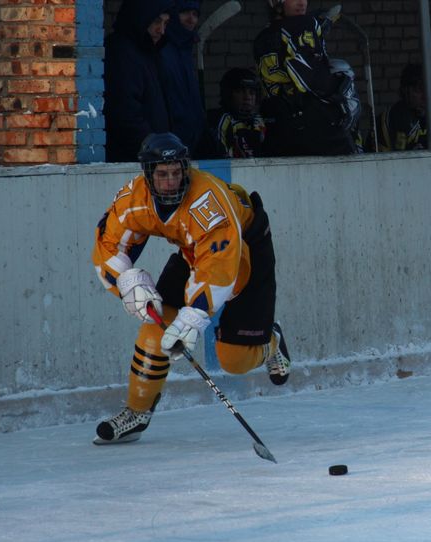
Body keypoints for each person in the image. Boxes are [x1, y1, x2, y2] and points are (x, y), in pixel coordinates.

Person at [91, 132, 291, 444]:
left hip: (244, 249)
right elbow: (108, 245)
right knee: (155, 326)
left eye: (176, 173)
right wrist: (127, 283)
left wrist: (192, 317)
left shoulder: (207, 201)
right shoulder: (134, 199)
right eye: (162, 175)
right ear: (148, 176)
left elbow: (220, 267)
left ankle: (271, 341)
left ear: (185, 169)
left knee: (234, 361)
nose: (171, 182)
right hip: (194, 252)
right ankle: (137, 412)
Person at [252, 0, 357, 156]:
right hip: (312, 128)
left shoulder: (262, 36)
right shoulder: (303, 23)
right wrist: (340, 92)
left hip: (275, 129)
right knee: (351, 169)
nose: (302, 2)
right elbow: (311, 79)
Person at [104, 0, 173, 162]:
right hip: (132, 159)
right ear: (141, 18)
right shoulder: (122, 53)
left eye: (166, 23)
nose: (161, 30)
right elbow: (124, 111)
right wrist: (153, 148)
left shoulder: (149, 52)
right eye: (157, 21)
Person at [160, 0, 207, 154]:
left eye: (195, 14)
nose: (191, 19)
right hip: (170, 145)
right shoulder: (162, 50)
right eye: (185, 12)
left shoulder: (186, 51)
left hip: (191, 142)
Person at [375, 64, 431, 152]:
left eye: (430, 89)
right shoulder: (397, 117)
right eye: (419, 90)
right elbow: (400, 158)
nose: (425, 96)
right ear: (405, 91)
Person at [203, 68, 268, 158]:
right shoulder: (221, 119)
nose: (247, 97)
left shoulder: (259, 120)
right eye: (240, 91)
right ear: (228, 94)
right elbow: (220, 157)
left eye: (252, 92)